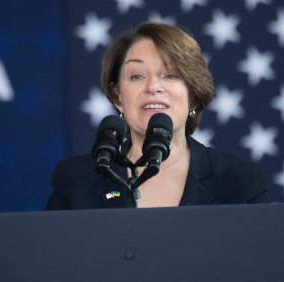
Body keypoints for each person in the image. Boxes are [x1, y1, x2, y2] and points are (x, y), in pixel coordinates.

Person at [46, 22, 269, 210]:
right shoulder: (76, 180)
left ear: (192, 94)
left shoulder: (239, 180)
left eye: (170, 75)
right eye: (136, 76)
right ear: (117, 96)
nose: (153, 86)